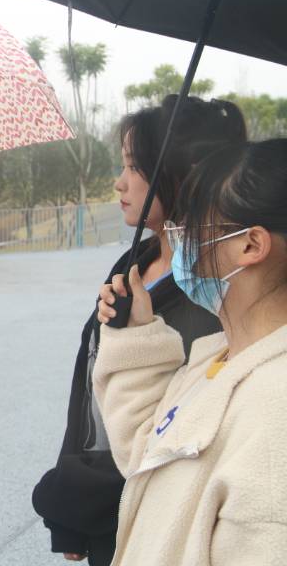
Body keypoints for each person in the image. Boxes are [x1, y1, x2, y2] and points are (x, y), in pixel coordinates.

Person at [31, 96, 247, 565]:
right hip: (99, 517)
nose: (120, 182)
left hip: (151, 520)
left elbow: (175, 435)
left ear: (182, 175)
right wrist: (73, 505)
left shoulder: (214, 294)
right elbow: (92, 381)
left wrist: (75, 494)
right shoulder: (135, 261)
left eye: (134, 166)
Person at [94, 137, 287, 564]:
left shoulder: (277, 411)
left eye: (193, 225)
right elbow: (149, 452)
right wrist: (136, 334)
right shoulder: (221, 356)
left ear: (251, 245)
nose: (181, 240)